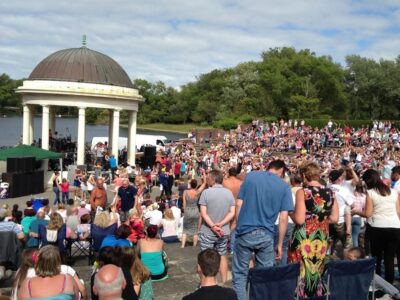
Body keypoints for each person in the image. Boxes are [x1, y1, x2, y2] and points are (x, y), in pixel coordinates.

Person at [232, 160, 293, 300]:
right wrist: (279, 244)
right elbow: (283, 218)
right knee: (264, 277)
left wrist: (238, 226)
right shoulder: (284, 187)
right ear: (281, 171)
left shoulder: (252, 176)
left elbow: (239, 203)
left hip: (245, 231)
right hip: (266, 234)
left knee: (240, 276)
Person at [289, 162, 338, 297]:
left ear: (304, 176)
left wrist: (289, 213)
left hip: (305, 237)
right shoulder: (330, 192)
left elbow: (299, 219)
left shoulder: (303, 192)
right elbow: (334, 218)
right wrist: (319, 219)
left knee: (300, 271)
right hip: (322, 237)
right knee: (316, 271)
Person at [352, 169, 400, 283]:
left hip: (377, 227)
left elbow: (368, 214)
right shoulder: (393, 192)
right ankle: (390, 286)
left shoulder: (371, 193)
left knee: (377, 258)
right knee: (389, 259)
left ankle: (377, 283)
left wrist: (356, 212)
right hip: (395, 227)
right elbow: (398, 212)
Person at [199, 169, 235, 284]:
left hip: (208, 231)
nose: (208, 180)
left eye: (208, 178)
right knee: (222, 255)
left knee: (205, 258)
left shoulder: (206, 193)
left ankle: (205, 283)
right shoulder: (228, 193)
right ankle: (224, 282)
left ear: (214, 179)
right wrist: (221, 223)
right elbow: (232, 213)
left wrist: (213, 226)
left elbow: (204, 214)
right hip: (224, 230)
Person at [181, 169, 206, 248]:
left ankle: (182, 245)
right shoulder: (197, 192)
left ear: (190, 184)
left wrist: (184, 211)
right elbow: (204, 183)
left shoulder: (185, 192)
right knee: (195, 229)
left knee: (185, 229)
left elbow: (184, 203)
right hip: (195, 210)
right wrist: (204, 173)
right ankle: (194, 245)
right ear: (195, 185)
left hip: (188, 210)